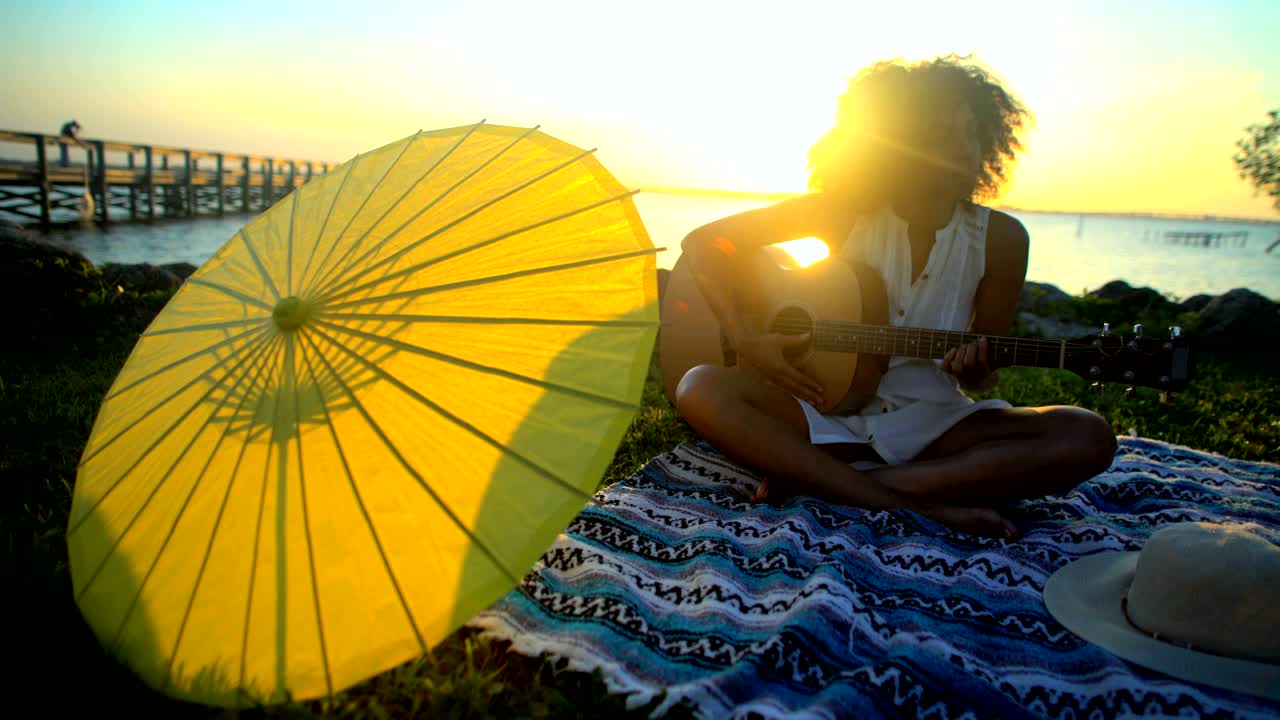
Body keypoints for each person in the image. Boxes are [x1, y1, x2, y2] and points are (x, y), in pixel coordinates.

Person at [674, 55, 1117, 539]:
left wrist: (977, 366)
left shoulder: (1003, 239)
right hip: (819, 407)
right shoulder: (841, 212)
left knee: (1086, 434)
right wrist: (746, 335)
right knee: (700, 386)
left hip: (934, 423)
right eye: (943, 134)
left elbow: (986, 368)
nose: (965, 148)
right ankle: (914, 501)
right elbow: (704, 243)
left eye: (971, 132)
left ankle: (839, 483)